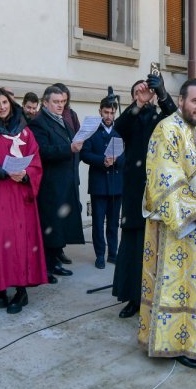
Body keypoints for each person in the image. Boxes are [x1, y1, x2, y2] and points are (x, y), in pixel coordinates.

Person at [138, 79, 196, 369]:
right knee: (174, 284)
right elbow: (165, 177)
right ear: (181, 101)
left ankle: (195, 339)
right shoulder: (167, 129)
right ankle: (170, 341)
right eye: (195, 101)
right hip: (173, 224)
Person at [0, 88, 48, 313]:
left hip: (20, 197)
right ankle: (0, 288)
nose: (2, 107)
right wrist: (1, 171)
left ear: (11, 104)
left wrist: (26, 174)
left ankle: (21, 291)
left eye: (5, 102)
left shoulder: (24, 131)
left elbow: (36, 160)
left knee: (20, 244)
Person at [113, 74, 177, 318]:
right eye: (140, 93)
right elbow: (118, 128)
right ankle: (132, 298)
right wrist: (137, 104)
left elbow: (175, 118)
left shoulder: (158, 117)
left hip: (158, 190)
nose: (145, 96)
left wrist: (162, 94)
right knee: (133, 245)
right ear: (134, 97)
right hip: (134, 191)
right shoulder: (130, 118)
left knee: (157, 244)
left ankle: (156, 295)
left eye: (147, 93)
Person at [33, 85, 85, 276]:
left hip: (65, 181)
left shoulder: (63, 119)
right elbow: (42, 151)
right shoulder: (39, 122)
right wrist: (68, 149)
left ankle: (54, 261)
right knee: (51, 226)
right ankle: (46, 267)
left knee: (60, 225)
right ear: (45, 103)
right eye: (56, 102)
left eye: (62, 101)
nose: (60, 105)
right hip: (51, 184)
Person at [80, 96, 123, 270]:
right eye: (106, 112)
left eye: (112, 113)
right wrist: (101, 160)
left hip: (116, 184)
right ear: (100, 112)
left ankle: (112, 253)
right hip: (98, 185)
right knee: (98, 223)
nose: (109, 116)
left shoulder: (120, 131)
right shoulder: (91, 130)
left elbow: (126, 155)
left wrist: (117, 160)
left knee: (113, 222)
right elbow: (84, 154)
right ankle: (99, 255)